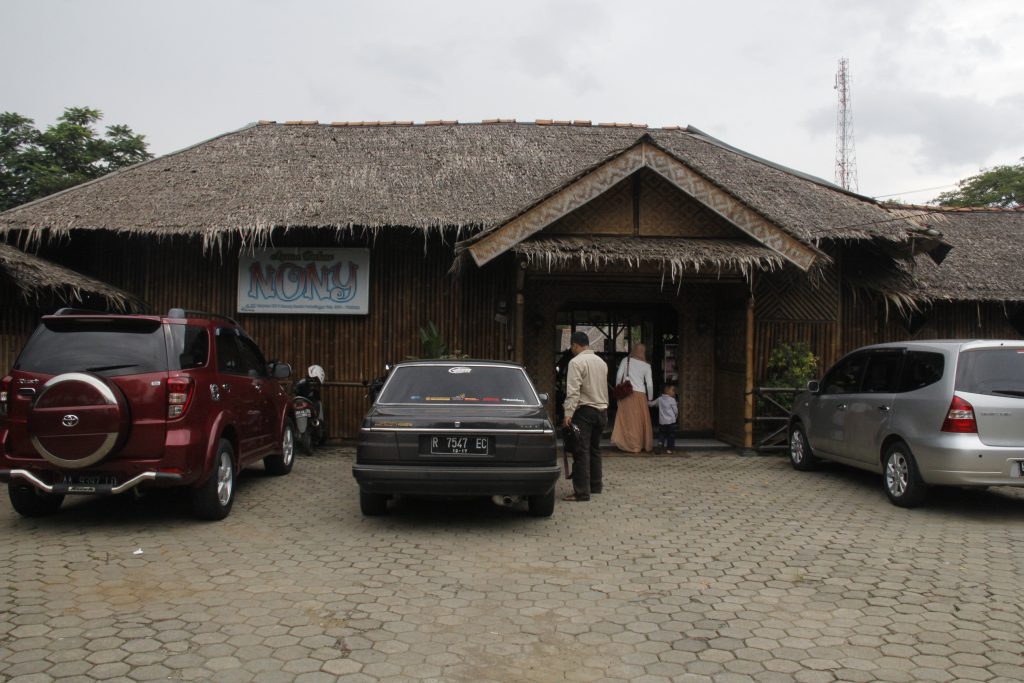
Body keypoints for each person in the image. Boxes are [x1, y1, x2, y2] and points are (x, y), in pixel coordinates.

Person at [562, 331, 609, 501]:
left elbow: (573, 391)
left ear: (575, 345)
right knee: (595, 449)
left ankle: (581, 492)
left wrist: (568, 413)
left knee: (581, 451)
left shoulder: (576, 362)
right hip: (602, 411)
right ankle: (596, 485)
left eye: (572, 347)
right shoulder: (601, 362)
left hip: (585, 412)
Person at [611, 343, 654, 453]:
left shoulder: (626, 360)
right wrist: (650, 398)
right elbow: (649, 384)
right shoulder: (646, 366)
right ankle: (638, 445)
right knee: (639, 420)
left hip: (627, 394)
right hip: (641, 395)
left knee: (627, 420)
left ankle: (628, 443)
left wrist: (618, 390)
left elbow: (619, 376)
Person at [649, 384, 679, 454]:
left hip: (662, 422)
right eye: (673, 390)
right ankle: (669, 449)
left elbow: (652, 404)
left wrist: (646, 402)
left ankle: (660, 444)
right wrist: (675, 417)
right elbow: (676, 411)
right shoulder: (672, 400)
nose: (674, 392)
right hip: (671, 422)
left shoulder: (660, 399)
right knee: (671, 435)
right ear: (667, 391)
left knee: (662, 434)